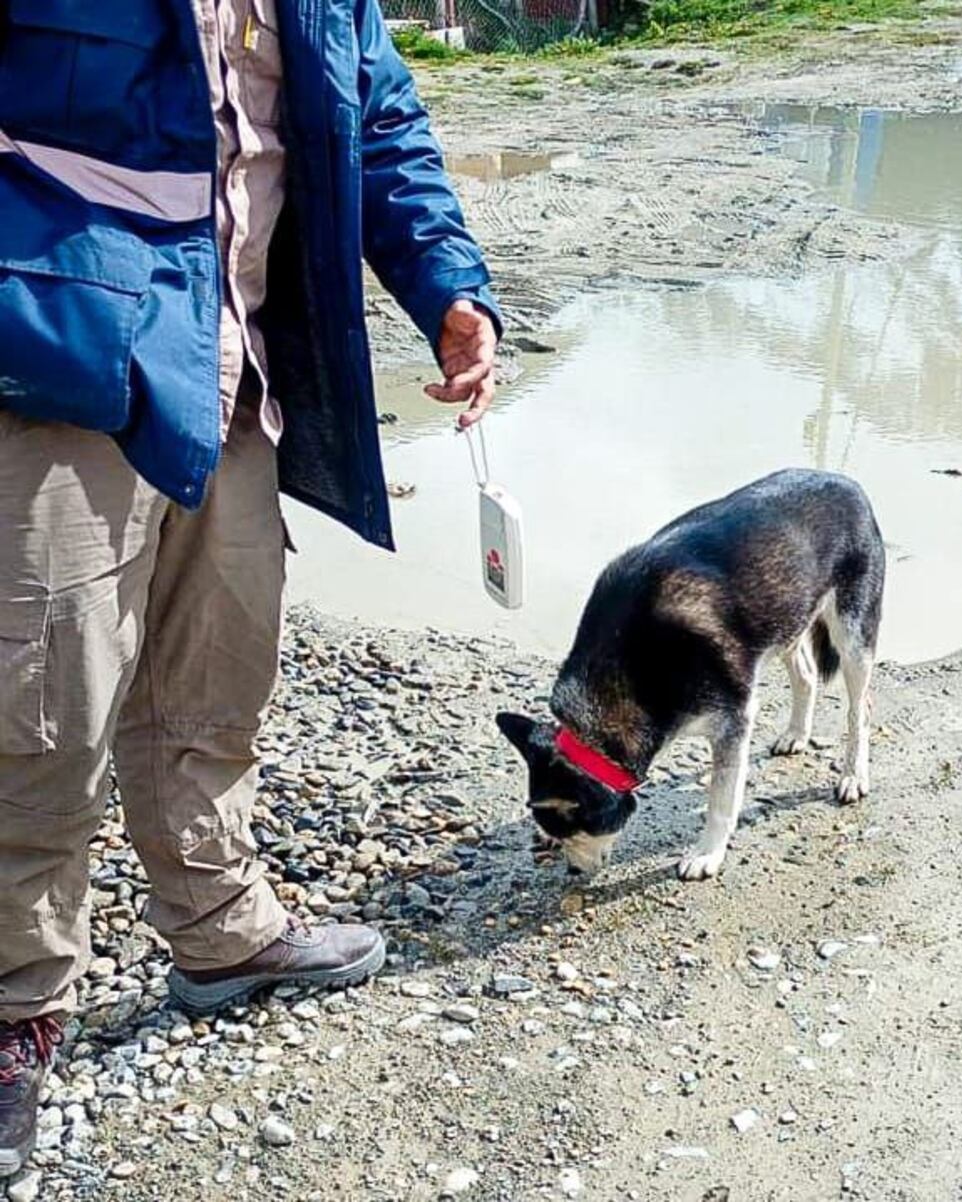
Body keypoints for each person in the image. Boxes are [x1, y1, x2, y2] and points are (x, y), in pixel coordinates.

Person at [0, 0, 500, 1176]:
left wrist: (451, 291)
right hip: (60, 343)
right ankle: (14, 1004)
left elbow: (377, 123)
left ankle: (219, 929)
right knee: (40, 693)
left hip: (230, 358)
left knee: (218, 662)